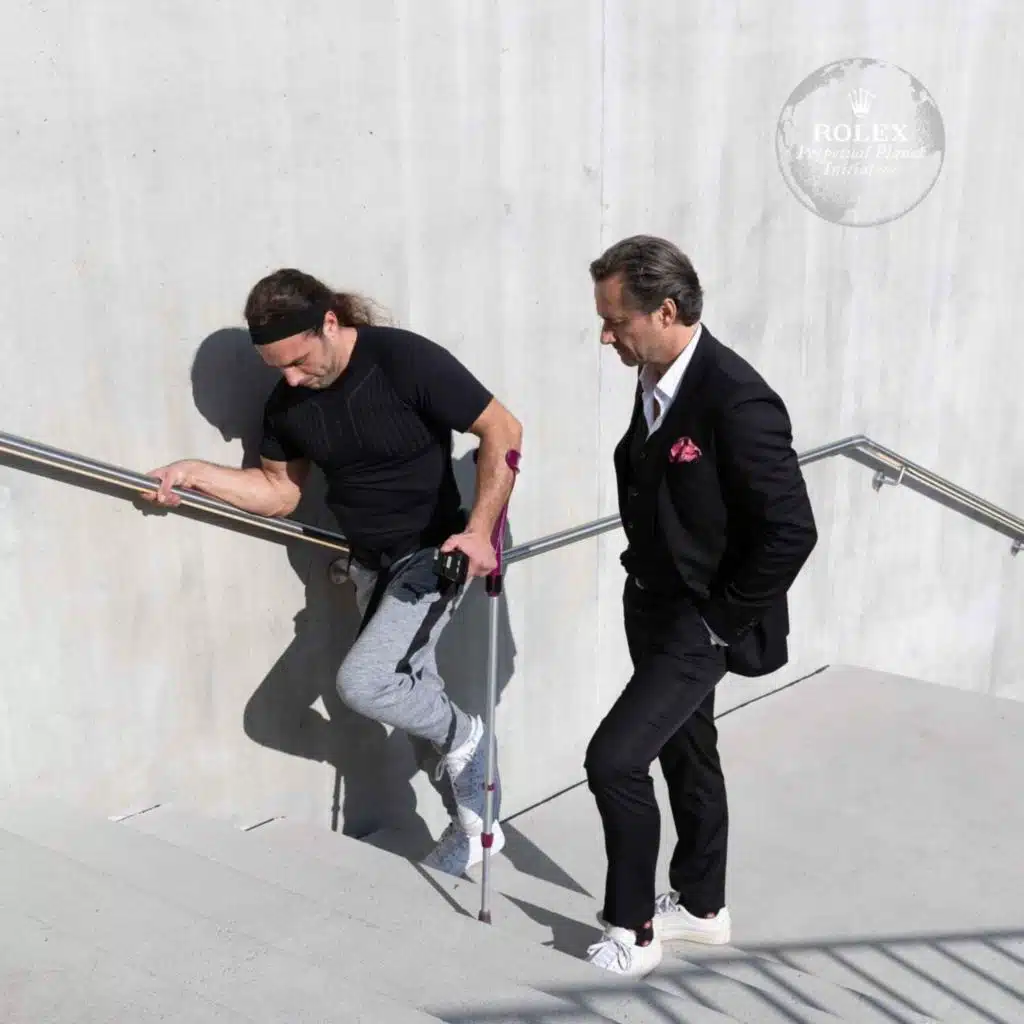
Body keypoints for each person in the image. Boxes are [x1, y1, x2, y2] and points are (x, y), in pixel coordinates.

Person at [144, 268, 523, 876]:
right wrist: (193, 473)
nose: (292, 379)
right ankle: (474, 824)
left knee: (366, 685)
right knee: (410, 691)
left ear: (329, 323)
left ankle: (466, 737)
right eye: (279, 370)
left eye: (299, 362)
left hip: (431, 556)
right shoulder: (288, 403)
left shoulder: (403, 360)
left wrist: (480, 530)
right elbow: (279, 493)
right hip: (369, 566)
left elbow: (502, 428)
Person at [582, 236, 817, 977]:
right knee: (687, 752)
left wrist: (720, 621)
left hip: (700, 620)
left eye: (616, 320)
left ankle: (633, 929)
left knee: (614, 761)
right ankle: (703, 907)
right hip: (651, 604)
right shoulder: (653, 374)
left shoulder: (737, 398)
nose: (606, 336)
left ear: (666, 310)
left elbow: (791, 530)